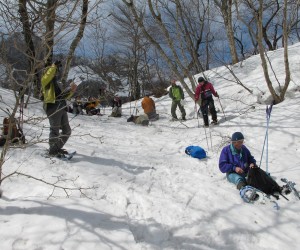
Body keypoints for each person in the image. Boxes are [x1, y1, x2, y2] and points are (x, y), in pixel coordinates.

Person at [41, 60, 77, 157]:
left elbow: (62, 96)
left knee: (67, 131)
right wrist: (54, 66)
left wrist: (71, 90)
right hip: (52, 107)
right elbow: (48, 75)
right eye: (53, 71)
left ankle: (56, 148)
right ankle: (52, 151)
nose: (55, 73)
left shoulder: (55, 83)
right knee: (55, 130)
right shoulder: (45, 81)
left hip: (62, 107)